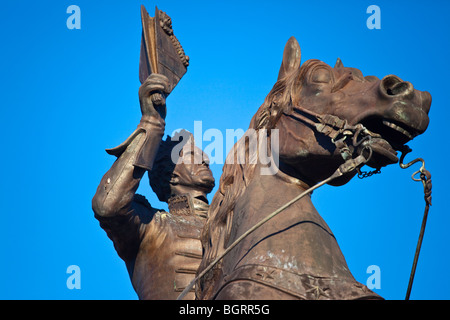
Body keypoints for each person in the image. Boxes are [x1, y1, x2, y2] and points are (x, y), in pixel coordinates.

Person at [92, 74, 215, 300]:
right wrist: (153, 123)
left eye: (201, 153)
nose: (205, 158)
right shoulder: (149, 226)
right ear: (171, 176)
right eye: (190, 155)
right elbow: (107, 206)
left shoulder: (232, 222)